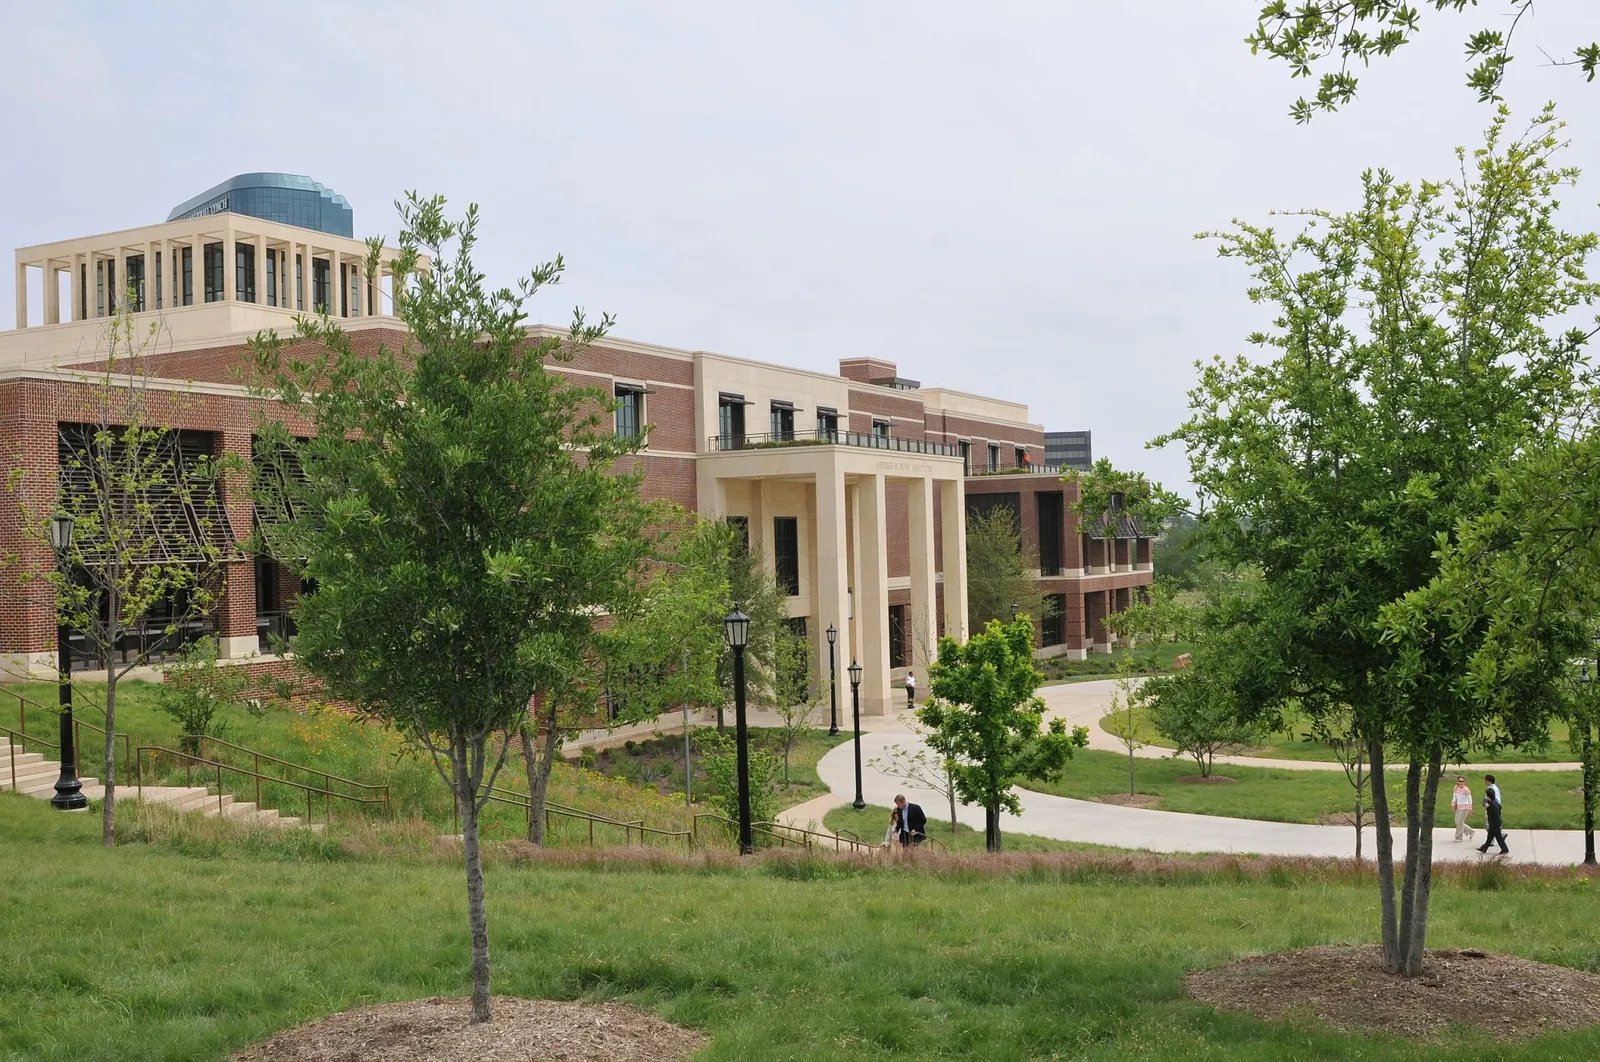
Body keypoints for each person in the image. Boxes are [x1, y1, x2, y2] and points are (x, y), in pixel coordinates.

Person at [1476, 773, 1509, 855]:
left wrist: (1488, 806)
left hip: (1494, 821)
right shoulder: (1489, 789)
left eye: (1486, 780)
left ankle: (1504, 849)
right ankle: (1484, 848)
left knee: (1497, 836)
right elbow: (1485, 800)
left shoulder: (1493, 792)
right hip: (1492, 820)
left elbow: (1496, 806)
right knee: (1490, 835)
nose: (1485, 782)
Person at [1450, 776, 1474, 842]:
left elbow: (1470, 799)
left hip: (1464, 808)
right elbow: (1454, 797)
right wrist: (1453, 805)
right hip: (1458, 807)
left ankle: (1458, 838)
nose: (1461, 782)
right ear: (1457, 781)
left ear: (1464, 782)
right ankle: (1470, 831)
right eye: (1460, 781)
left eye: (1462, 781)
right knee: (1457, 822)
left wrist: (1470, 808)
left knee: (1460, 822)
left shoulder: (1466, 789)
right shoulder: (1456, 788)